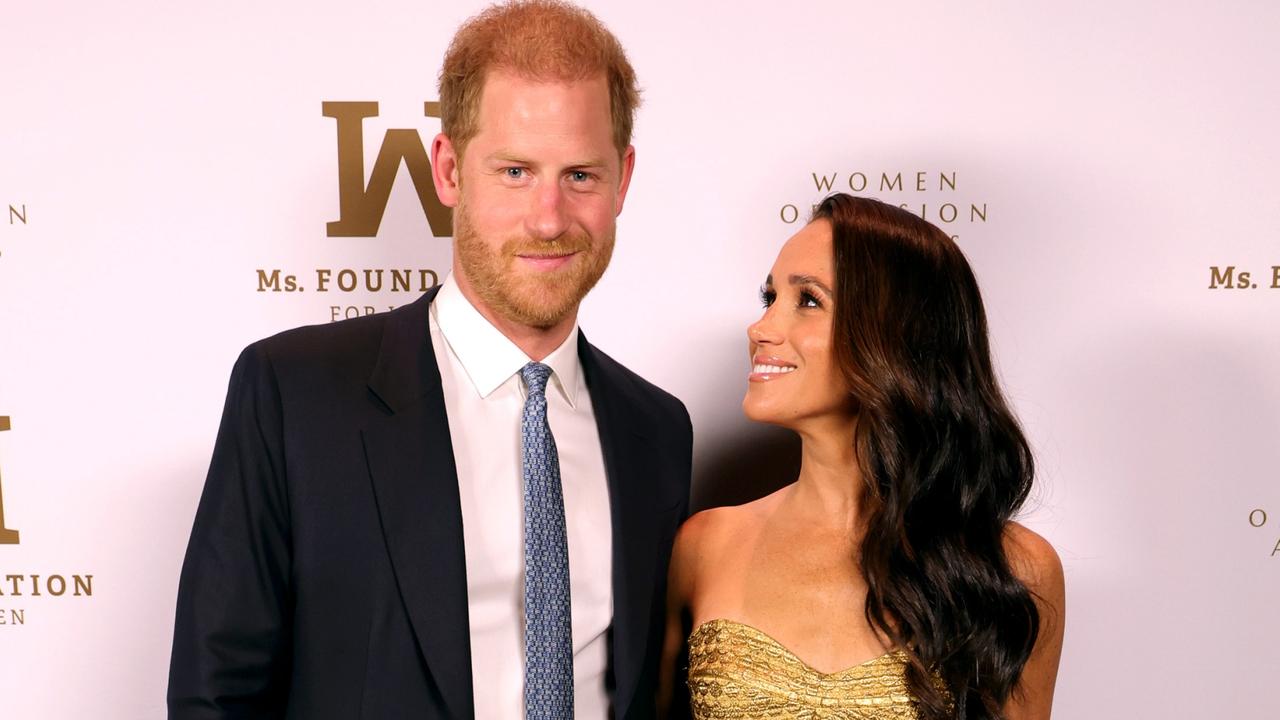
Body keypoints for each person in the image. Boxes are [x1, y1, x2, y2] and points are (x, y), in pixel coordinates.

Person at [167, 2, 692, 718]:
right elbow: (215, 696)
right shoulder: (295, 396)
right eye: (514, 171)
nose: (548, 217)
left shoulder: (656, 432)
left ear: (623, 179)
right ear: (448, 170)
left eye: (580, 176)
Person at [660, 194, 1065, 720]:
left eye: (808, 300)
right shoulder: (704, 545)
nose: (761, 328)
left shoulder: (1016, 569)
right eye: (769, 298)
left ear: (896, 334)